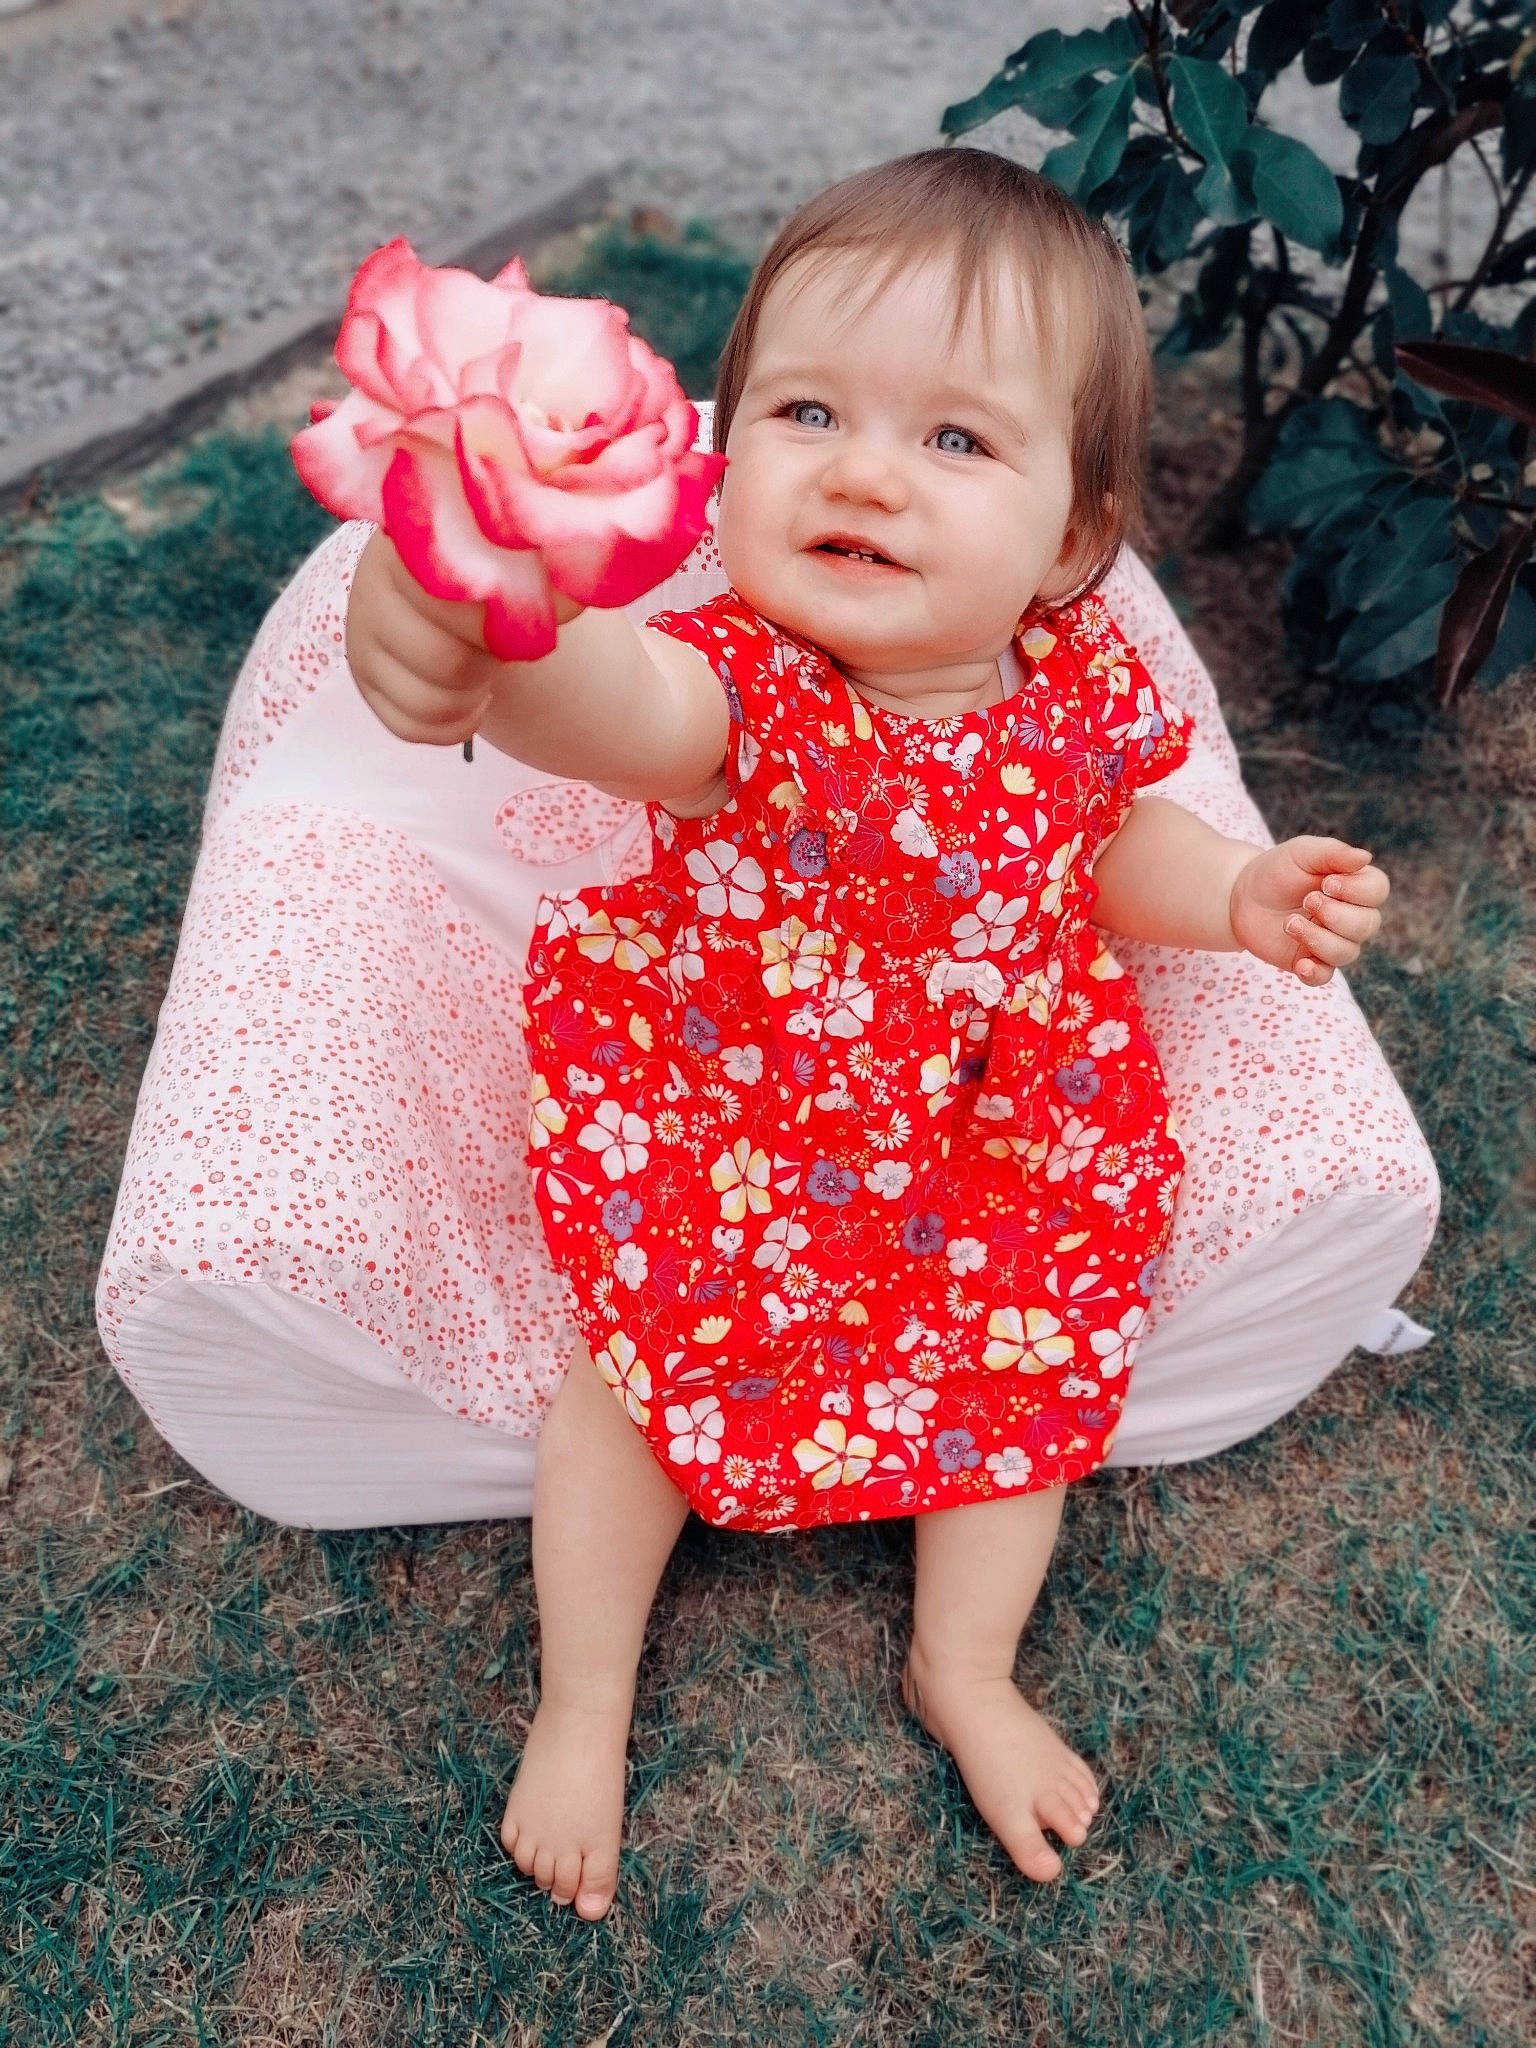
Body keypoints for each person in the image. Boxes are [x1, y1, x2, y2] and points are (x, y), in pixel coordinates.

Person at [343, 149, 1389, 1921]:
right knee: (633, 1388)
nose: (864, 472)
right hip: (744, 1114)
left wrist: (1235, 894)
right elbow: (610, 703)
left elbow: (1115, 840)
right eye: (808, 409)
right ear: (727, 446)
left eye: (956, 441)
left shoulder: (1077, 683)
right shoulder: (741, 684)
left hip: (993, 1133)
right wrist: (474, 636)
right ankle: (583, 1698)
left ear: (1070, 541)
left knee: (1032, 1399)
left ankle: (961, 1667)